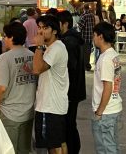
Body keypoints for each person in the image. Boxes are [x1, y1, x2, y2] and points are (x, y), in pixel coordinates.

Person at [0, 22, 37, 154]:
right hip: (28, 111)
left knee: (8, 150)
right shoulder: (32, 56)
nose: (4, 39)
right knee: (24, 150)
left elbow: (2, 88)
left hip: (9, 113)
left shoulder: (5, 58)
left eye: (5, 36)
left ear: (11, 38)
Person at [33, 15, 69, 153]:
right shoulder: (53, 47)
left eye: (45, 28)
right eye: (39, 28)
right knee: (59, 142)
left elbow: (37, 69)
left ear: (55, 30)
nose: (41, 31)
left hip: (50, 106)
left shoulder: (55, 48)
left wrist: (39, 46)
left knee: (54, 146)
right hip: (54, 104)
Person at [57, 10, 86, 154]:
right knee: (70, 123)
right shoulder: (73, 38)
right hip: (75, 89)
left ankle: (73, 149)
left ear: (65, 24)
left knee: (68, 124)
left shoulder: (68, 41)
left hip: (70, 90)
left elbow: (70, 67)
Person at [92, 22, 122, 154]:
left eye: (94, 35)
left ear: (101, 36)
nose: (93, 38)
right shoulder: (113, 54)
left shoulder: (105, 59)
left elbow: (107, 87)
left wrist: (99, 112)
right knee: (112, 146)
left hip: (106, 112)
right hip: (114, 108)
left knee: (105, 148)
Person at [78, 4, 95, 71]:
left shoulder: (84, 16)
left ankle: (86, 66)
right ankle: (87, 65)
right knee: (88, 53)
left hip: (84, 37)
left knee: (84, 53)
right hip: (90, 37)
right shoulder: (92, 16)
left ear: (83, 8)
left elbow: (80, 27)